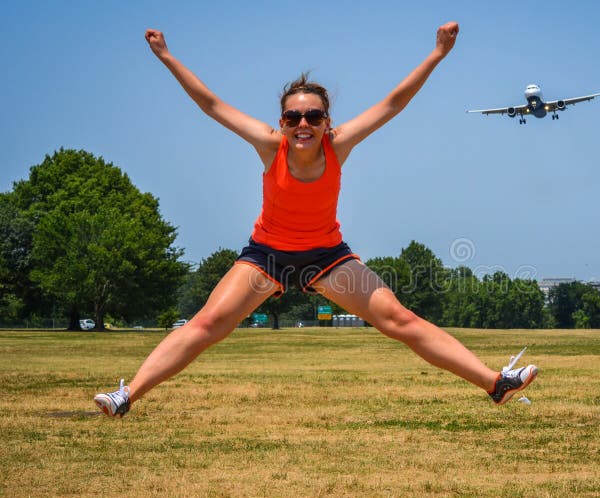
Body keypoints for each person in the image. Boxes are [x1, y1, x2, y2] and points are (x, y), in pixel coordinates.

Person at [94, 22, 537, 418]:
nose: (302, 123)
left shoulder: (337, 146)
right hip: (266, 254)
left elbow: (392, 103)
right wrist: (168, 57)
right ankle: (127, 395)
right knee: (208, 325)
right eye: (293, 116)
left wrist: (437, 54)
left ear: (327, 122)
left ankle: (495, 384)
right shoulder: (271, 146)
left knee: (400, 320)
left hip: (326, 256)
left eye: (313, 115)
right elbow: (211, 104)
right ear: (282, 122)